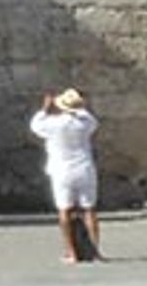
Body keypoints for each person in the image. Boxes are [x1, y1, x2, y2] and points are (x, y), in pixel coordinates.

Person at [31, 88, 102, 262]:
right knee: (89, 209)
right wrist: (80, 105)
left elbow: (35, 125)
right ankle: (95, 250)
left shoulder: (52, 124)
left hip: (61, 170)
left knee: (65, 210)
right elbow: (90, 118)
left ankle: (72, 252)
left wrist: (45, 108)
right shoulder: (85, 123)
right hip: (84, 168)